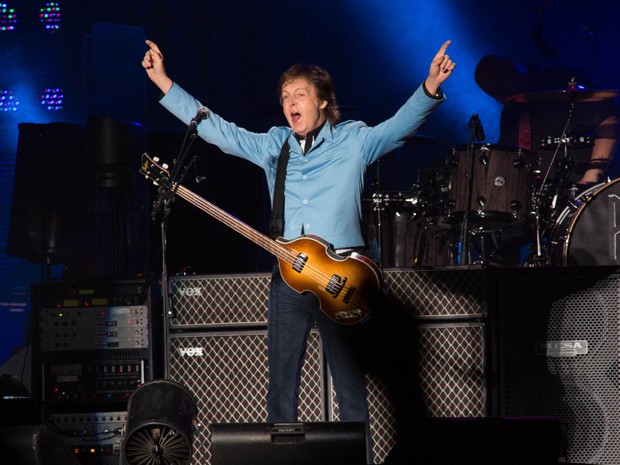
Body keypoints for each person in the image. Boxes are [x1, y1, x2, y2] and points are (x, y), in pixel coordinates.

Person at [142, 38, 455, 459]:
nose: (291, 102)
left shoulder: (353, 140)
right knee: (281, 387)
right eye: (286, 96)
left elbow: (397, 128)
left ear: (323, 101)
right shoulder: (276, 144)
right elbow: (219, 131)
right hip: (288, 280)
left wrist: (430, 85)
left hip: (342, 279)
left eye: (300, 94)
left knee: (349, 386)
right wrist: (163, 81)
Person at [474, 54, 619, 265]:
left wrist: (591, 178)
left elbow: (609, 119)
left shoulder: (559, 77)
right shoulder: (512, 111)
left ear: (510, 67)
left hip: (580, 187)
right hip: (537, 198)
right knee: (493, 235)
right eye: (488, 88)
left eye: (495, 80)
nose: (495, 90)